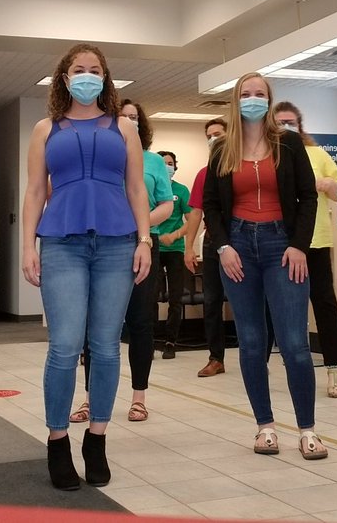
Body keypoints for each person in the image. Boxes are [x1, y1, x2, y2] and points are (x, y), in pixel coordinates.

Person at [21, 43, 152, 490]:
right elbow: (35, 191)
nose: (87, 76)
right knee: (64, 345)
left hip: (117, 243)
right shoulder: (45, 129)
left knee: (107, 346)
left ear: (105, 78)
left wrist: (145, 240)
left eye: (95, 70)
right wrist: (28, 245)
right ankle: (58, 440)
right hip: (61, 243)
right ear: (64, 77)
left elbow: (137, 189)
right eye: (79, 69)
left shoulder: (124, 127)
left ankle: (97, 438)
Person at [203, 73, 327, 460]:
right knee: (252, 342)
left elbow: (308, 197)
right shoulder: (222, 148)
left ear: (269, 100)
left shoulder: (288, 143)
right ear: (235, 100)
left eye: (260, 94)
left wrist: (299, 245)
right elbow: (211, 204)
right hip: (237, 246)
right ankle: (265, 427)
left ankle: (308, 430)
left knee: (294, 343)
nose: (253, 99)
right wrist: (223, 246)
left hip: (281, 245)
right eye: (246, 94)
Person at [69, 100, 173, 425]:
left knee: (141, 322)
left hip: (142, 244)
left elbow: (166, 205)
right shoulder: (102, 157)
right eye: (123, 116)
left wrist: (139, 225)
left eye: (134, 117)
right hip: (104, 243)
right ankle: (91, 398)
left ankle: (139, 398)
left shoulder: (153, 162)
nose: (129, 121)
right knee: (97, 326)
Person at [272, 101, 337, 398]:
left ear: (299, 124)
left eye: (290, 122)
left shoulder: (317, 154)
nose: (285, 127)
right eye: (279, 122)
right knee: (282, 307)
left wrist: (327, 184)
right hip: (279, 242)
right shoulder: (267, 155)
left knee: (324, 303)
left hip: (315, 241)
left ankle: (335, 368)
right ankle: (285, 367)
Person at [181, 117, 229, 377]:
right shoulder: (204, 173)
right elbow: (196, 212)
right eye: (209, 136)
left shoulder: (240, 167)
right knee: (211, 301)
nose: (213, 139)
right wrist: (189, 247)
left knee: (249, 301)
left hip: (241, 241)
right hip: (212, 244)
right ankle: (216, 358)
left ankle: (258, 357)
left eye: (218, 134)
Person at [155, 150, 189, 359]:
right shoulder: (152, 188)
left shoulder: (181, 190)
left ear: (175, 166)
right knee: (151, 297)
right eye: (163, 163)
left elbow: (192, 220)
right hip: (154, 248)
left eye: (170, 163)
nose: (167, 167)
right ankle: (149, 341)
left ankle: (170, 341)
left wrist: (175, 235)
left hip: (175, 250)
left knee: (176, 298)